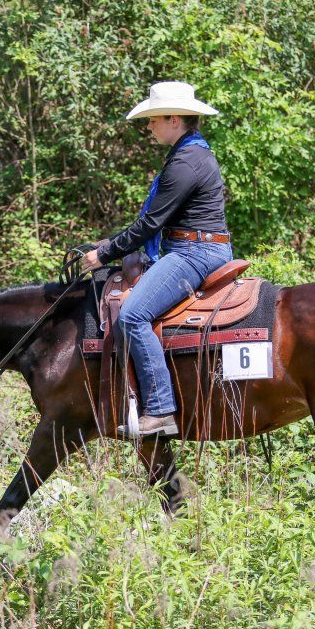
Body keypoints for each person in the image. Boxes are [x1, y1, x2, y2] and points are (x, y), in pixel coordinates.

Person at [83, 81, 233, 438]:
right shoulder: (190, 155)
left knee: (133, 315)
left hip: (196, 252)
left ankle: (161, 409)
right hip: (193, 246)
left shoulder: (186, 162)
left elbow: (152, 222)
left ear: (174, 119)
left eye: (153, 120)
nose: (149, 127)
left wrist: (104, 253)